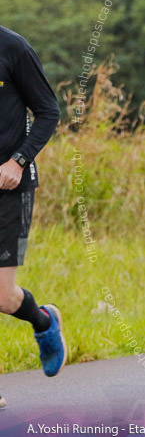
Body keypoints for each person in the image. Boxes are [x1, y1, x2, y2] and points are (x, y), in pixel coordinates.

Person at [0, 25, 67, 407]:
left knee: (3, 296)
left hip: (8, 185)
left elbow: (48, 111)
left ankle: (44, 322)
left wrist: (18, 161)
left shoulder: (14, 49)